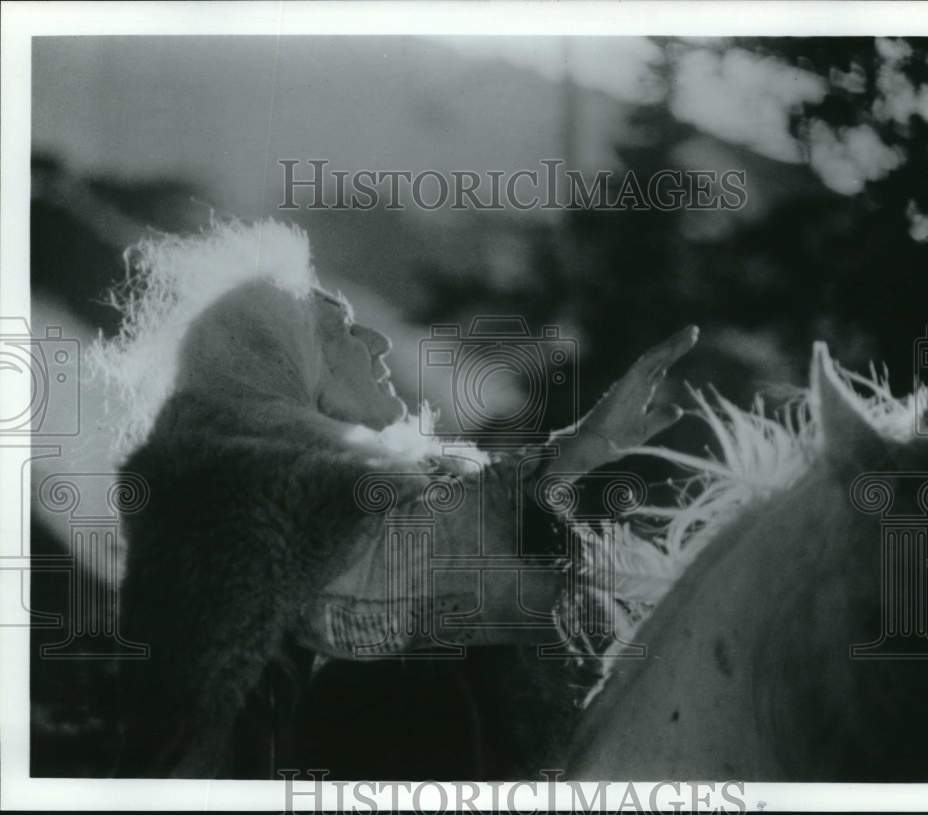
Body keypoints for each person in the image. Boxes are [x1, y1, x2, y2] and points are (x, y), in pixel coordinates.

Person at [95, 219, 697, 778]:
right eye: (343, 328)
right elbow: (408, 574)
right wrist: (575, 453)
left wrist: (579, 450)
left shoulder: (322, 488)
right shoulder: (231, 489)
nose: (378, 342)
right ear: (287, 367)